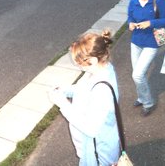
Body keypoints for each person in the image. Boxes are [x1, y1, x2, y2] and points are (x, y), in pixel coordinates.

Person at [48, 29, 120, 166]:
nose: (78, 66)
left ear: (92, 60)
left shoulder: (103, 89)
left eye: (79, 63)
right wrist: (66, 90)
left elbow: (91, 128)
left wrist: (63, 104)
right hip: (89, 146)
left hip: (98, 151)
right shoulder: (98, 70)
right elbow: (85, 89)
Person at [127, 0, 165, 116]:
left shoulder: (157, 0)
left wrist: (151, 22)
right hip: (136, 42)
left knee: (138, 75)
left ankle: (148, 102)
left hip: (151, 43)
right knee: (137, 74)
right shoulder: (133, 1)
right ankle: (141, 97)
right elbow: (130, 17)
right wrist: (130, 24)